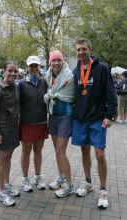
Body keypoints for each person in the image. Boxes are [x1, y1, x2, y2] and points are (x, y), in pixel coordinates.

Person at [71, 38, 117, 208]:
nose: (81, 52)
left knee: (99, 153)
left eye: (83, 49)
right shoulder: (75, 71)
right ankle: (88, 183)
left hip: (98, 118)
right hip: (80, 119)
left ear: (90, 48)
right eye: (78, 50)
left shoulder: (102, 68)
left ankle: (103, 190)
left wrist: (110, 115)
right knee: (84, 151)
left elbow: (111, 93)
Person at [44, 50, 75, 198]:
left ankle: (69, 185)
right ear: (50, 62)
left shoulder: (69, 75)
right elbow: (50, 92)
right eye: (53, 60)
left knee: (60, 152)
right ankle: (61, 178)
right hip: (53, 115)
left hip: (65, 116)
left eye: (58, 60)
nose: (56, 63)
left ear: (62, 61)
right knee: (57, 150)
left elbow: (69, 95)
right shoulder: (48, 75)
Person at [0, 61, 20, 206]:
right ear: (4, 71)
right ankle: (2, 192)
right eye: (10, 71)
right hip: (3, 129)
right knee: (2, 160)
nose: (13, 73)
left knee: (8, 158)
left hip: (13, 128)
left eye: (15, 71)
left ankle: (7, 184)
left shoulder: (15, 86)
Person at [18, 56, 48, 192]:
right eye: (31, 66)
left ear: (40, 66)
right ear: (27, 67)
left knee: (38, 151)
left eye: (36, 65)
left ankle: (37, 177)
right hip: (26, 123)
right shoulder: (21, 84)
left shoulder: (44, 82)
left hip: (41, 122)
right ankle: (25, 178)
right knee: (26, 152)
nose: (34, 68)